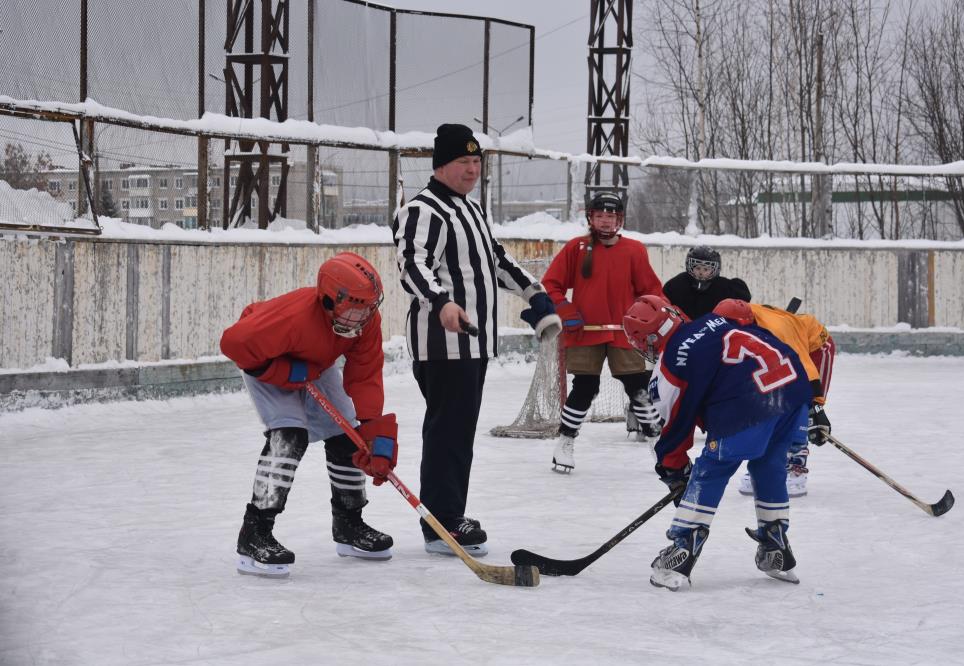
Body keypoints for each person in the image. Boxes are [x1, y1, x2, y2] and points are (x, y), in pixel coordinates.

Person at [392, 123, 557, 557]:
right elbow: (413, 266)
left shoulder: (471, 210)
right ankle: (441, 523)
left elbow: (496, 261)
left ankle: (448, 514)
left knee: (459, 429)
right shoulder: (423, 210)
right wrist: (442, 302)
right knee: (448, 429)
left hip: (474, 343)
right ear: (441, 165)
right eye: (463, 162)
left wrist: (533, 292)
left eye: (476, 161)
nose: (472, 169)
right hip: (441, 342)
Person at [220, 252, 399, 578]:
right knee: (290, 435)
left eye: (369, 308)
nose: (364, 317)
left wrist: (374, 431)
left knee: (349, 435)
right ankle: (255, 533)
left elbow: (365, 375)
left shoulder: (364, 324)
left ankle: (348, 524)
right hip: (268, 361)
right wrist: (282, 370)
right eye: (356, 308)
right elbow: (234, 343)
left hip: (316, 364)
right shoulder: (294, 316)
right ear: (331, 301)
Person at [623, 295, 813, 590]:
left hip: (749, 403)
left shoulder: (671, 361)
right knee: (769, 466)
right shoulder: (718, 321)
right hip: (795, 390)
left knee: (710, 471)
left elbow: (675, 427)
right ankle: (776, 547)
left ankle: (682, 552)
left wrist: (674, 469)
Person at [541, 190, 664, 472]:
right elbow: (551, 285)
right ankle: (565, 442)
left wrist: (649, 319)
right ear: (590, 218)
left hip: (625, 332)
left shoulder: (634, 250)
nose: (606, 222)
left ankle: (659, 444)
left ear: (619, 219)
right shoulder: (576, 248)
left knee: (638, 387)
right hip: (585, 331)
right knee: (585, 387)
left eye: (611, 216)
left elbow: (651, 292)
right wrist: (567, 311)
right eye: (600, 216)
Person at [712, 299, 836, 498]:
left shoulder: (776, 331)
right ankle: (768, 461)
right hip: (780, 343)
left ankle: (797, 463)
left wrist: (816, 408)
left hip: (814, 349)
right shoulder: (732, 328)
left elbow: (805, 370)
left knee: (798, 402)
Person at [662, 246, 751, 320]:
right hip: (683, 331)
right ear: (690, 267)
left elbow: (744, 301)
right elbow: (663, 304)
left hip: (714, 333)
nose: (701, 272)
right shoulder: (677, 284)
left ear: (714, 269)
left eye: (706, 269)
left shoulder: (725, 286)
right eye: (697, 268)